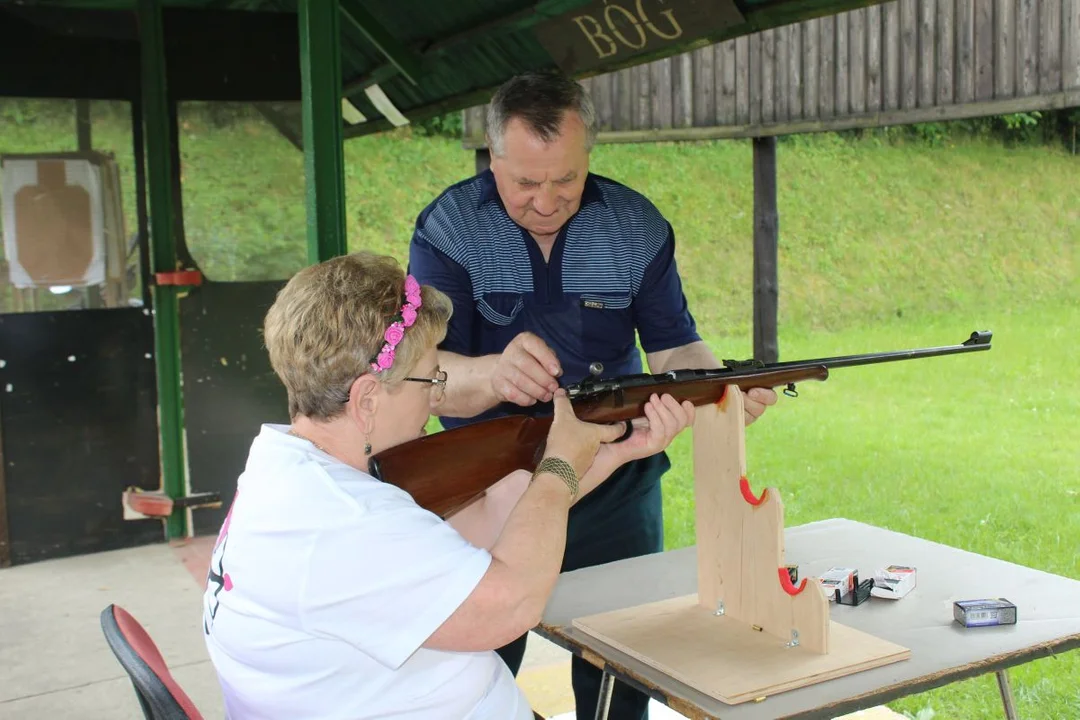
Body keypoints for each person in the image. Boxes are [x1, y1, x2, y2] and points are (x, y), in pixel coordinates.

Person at [408, 72, 779, 719]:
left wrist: (721, 386)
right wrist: (493, 373)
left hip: (616, 485)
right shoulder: (449, 230)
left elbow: (674, 349)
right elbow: (422, 370)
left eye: (566, 180)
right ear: (493, 161)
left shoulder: (635, 226)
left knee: (622, 670)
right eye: (526, 182)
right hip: (487, 490)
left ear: (588, 160)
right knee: (472, 672)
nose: (547, 201)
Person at [200, 250, 696, 719]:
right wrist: (558, 468)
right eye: (429, 381)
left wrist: (611, 454)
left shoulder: (296, 471)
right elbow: (511, 605)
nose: (435, 400)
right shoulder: (340, 520)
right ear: (368, 399)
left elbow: (477, 526)